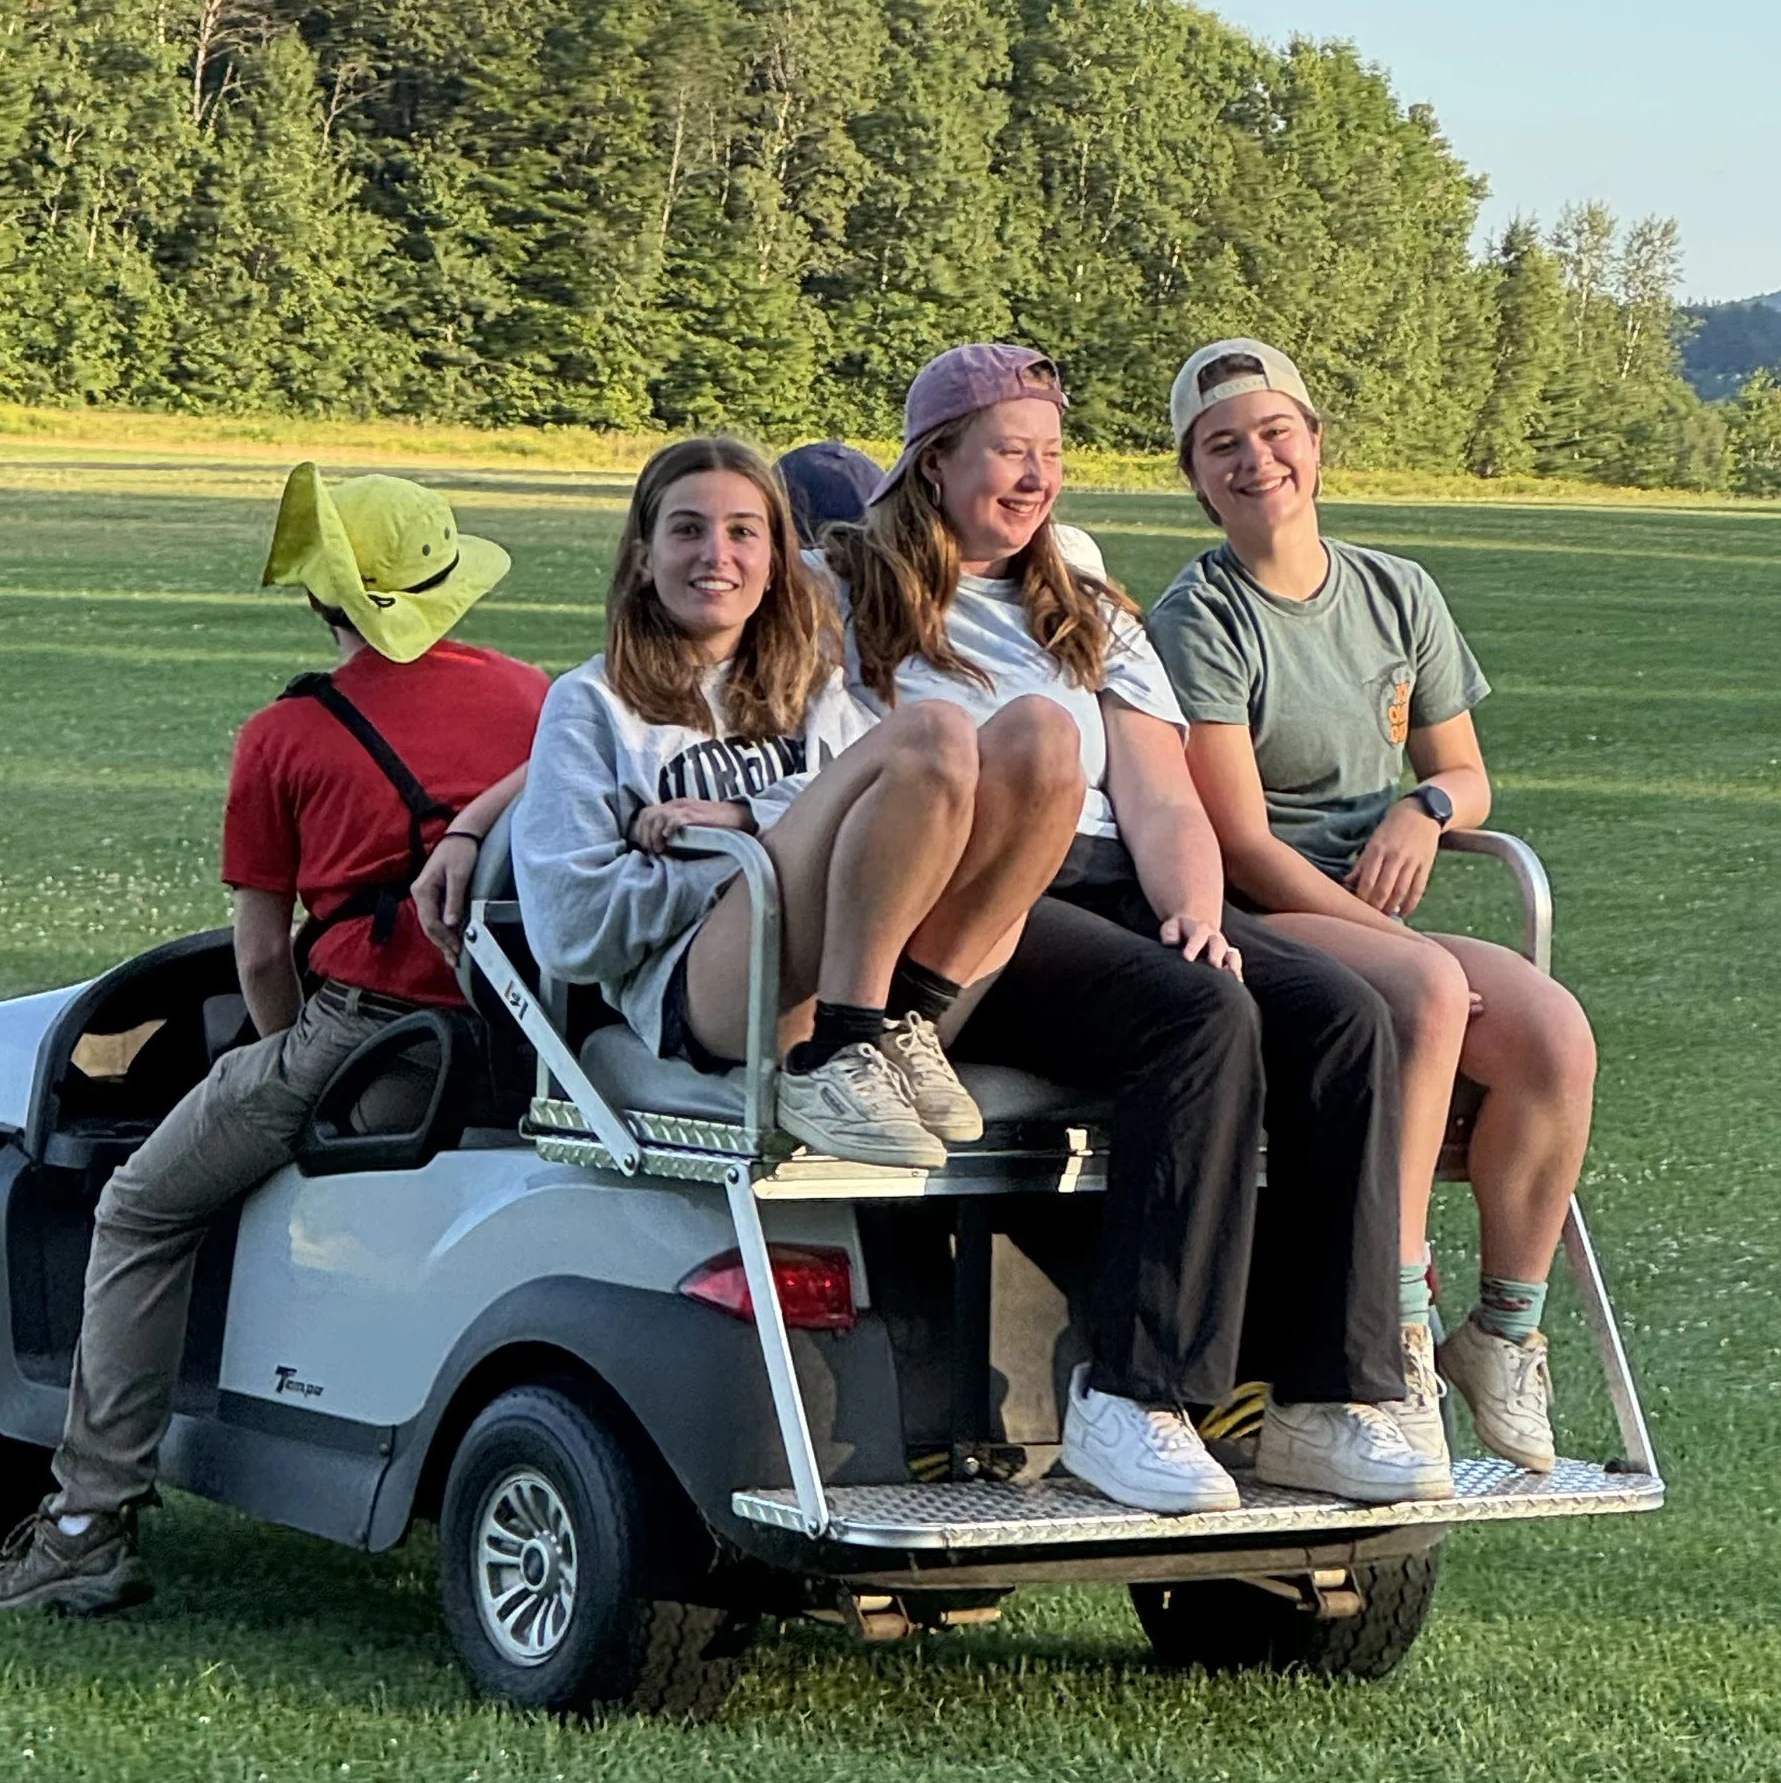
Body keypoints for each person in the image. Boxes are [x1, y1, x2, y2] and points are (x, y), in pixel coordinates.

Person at [825, 344, 1447, 1514]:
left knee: (1337, 1015)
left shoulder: (1078, 585)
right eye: (1010, 453)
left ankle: (1329, 1395)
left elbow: (1159, 792)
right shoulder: (852, 582)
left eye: (1050, 456)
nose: (1035, 479)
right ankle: (1134, 1396)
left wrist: (1194, 913)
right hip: (974, 904)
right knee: (1194, 1018)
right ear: (934, 459)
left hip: (1116, 887)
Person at [0, 471, 548, 1616]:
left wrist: (277, 1068)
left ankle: (85, 1524)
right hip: (528, 1047)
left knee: (137, 1205)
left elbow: (263, 961)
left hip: (368, 1046)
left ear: (329, 600)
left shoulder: (286, 736)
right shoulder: (538, 699)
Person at [1149, 339, 1599, 1475]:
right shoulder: (1201, 617)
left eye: (1273, 433)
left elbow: (1468, 771)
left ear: (1314, 441)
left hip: (1373, 915)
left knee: (1552, 1034)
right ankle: (1386, 1336)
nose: (1256, 462)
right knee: (1429, 985)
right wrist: (1393, 939)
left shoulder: (1398, 591)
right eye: (1221, 448)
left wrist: (1427, 808)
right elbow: (1241, 844)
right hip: (1261, 911)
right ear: (1194, 478)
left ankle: (1501, 1334)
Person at [513, 434, 1081, 1172]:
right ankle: (838, 1049)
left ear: (777, 559)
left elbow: (885, 813)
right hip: (715, 987)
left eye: (744, 532)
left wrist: (750, 818)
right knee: (934, 731)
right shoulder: (591, 703)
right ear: (643, 558)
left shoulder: (813, 688)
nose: (717, 553)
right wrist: (730, 869)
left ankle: (905, 1024)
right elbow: (569, 924)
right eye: (687, 529)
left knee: (1044, 735)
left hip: (869, 966)